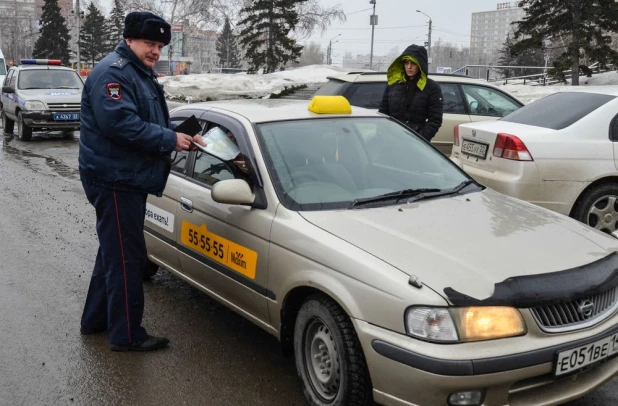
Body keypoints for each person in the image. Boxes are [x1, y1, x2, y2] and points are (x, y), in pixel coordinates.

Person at [78, 11, 205, 352]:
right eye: (150, 43)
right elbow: (120, 125)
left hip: (124, 177)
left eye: (160, 46)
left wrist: (180, 135)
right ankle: (127, 335)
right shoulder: (112, 74)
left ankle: (95, 320)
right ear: (130, 40)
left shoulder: (140, 73)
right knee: (127, 258)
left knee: (113, 251)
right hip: (115, 180)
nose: (155, 52)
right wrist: (169, 140)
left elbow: (143, 120)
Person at [378, 44, 444, 142]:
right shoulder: (393, 85)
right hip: (391, 140)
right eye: (406, 63)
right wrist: (382, 136)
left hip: (415, 143)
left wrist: (420, 138)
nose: (409, 67)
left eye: (413, 63)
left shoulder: (431, 87)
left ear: (420, 65)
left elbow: (435, 120)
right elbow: (383, 113)